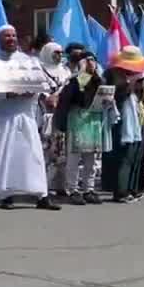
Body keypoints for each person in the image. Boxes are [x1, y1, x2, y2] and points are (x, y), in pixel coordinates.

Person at [0, 25, 60, 210]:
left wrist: (40, 93)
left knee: (33, 155)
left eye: (14, 35)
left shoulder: (28, 60)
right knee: (5, 156)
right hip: (2, 116)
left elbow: (41, 84)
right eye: (7, 36)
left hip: (25, 115)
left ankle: (41, 195)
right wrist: (6, 94)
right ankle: (6, 195)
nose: (11, 39)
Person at [54, 49, 107, 205]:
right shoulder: (74, 81)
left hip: (93, 120)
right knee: (74, 157)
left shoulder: (98, 80)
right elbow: (71, 98)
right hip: (77, 119)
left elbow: (103, 97)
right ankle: (72, 189)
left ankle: (89, 189)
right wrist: (83, 74)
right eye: (87, 60)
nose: (91, 63)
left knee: (91, 157)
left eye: (93, 60)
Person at [102, 48, 144, 202]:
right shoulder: (114, 75)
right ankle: (120, 191)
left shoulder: (134, 78)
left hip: (134, 118)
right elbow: (115, 96)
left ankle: (132, 188)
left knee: (135, 156)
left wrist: (137, 86)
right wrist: (129, 85)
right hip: (120, 119)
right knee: (123, 157)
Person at [37, 42, 72, 197]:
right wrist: (49, 97)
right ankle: (42, 185)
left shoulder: (65, 71)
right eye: (56, 52)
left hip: (62, 115)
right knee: (45, 152)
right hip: (44, 115)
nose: (59, 55)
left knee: (61, 151)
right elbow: (39, 90)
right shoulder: (39, 69)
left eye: (61, 52)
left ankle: (60, 185)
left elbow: (69, 87)